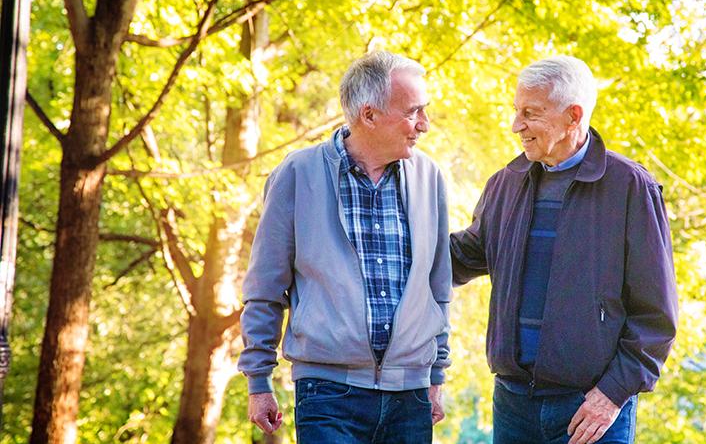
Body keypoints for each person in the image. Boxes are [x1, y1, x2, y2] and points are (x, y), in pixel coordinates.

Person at [450, 56, 678, 444]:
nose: (516, 125)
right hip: (512, 402)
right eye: (515, 111)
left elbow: (656, 316)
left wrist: (611, 395)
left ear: (573, 116)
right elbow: (464, 255)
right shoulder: (506, 183)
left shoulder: (630, 188)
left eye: (530, 113)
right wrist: (401, 239)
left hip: (590, 409)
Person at [238, 51, 452, 443]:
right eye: (413, 112)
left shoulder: (429, 177)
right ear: (368, 115)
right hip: (328, 393)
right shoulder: (298, 174)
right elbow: (265, 288)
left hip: (410, 394)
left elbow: (437, 287)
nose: (424, 124)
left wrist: (436, 375)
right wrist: (258, 381)